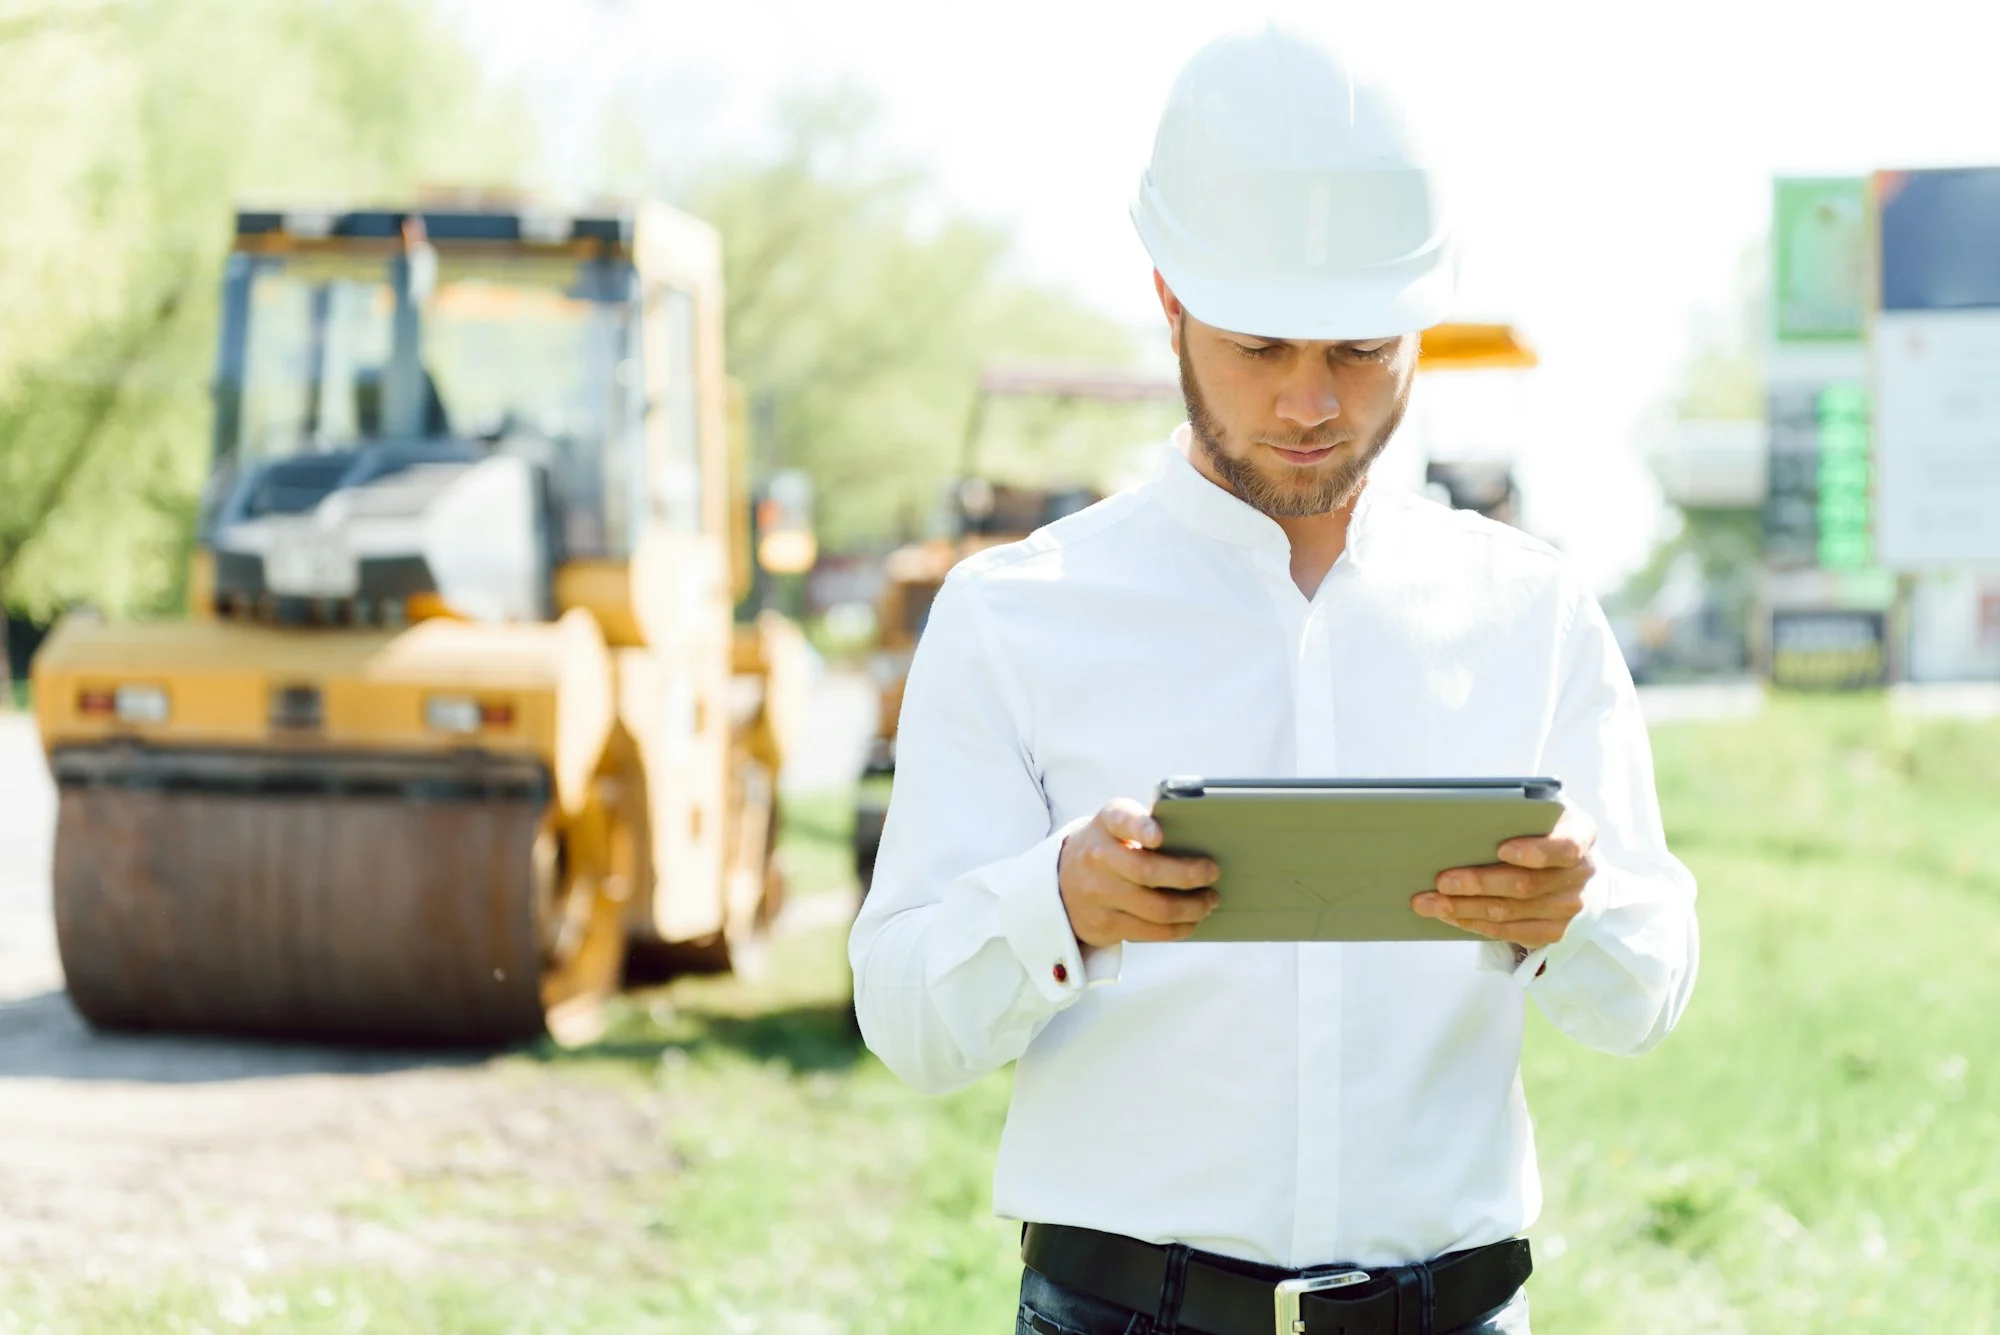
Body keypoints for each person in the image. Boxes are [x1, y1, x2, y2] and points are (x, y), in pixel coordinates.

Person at [849, 25, 1698, 1335]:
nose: (1311, 401)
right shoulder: (1015, 614)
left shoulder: (1532, 612)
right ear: (1170, 301)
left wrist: (1567, 912)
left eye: (1360, 350)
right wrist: (1058, 900)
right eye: (1261, 348)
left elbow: (1647, 995)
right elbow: (908, 1021)